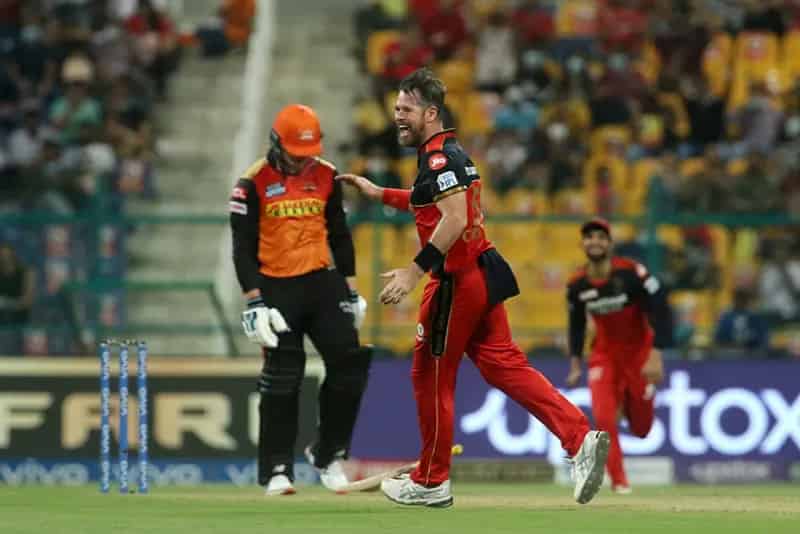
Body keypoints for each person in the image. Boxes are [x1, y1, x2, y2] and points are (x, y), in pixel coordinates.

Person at [338, 68, 609, 508]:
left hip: (456, 281)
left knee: (430, 376)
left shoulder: (439, 159)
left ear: (430, 113)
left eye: (406, 110)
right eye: (396, 109)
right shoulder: (446, 155)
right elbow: (429, 201)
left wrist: (413, 272)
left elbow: (455, 218)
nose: (397, 116)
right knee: (505, 366)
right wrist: (379, 193)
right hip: (480, 271)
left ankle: (431, 481)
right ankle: (580, 438)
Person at [229, 104, 371, 496]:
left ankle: (328, 454)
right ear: (276, 144)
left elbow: (339, 234)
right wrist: (254, 301)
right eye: (295, 154)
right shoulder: (251, 183)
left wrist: (351, 291)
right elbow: (242, 248)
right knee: (282, 377)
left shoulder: (326, 175)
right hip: (275, 287)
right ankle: (277, 469)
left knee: (350, 364)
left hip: (322, 282)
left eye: (308, 154)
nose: (302, 161)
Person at [566, 218, 673, 494]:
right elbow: (576, 325)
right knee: (603, 418)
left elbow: (660, 307)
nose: (595, 242)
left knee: (641, 430)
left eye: (601, 237)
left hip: (639, 355)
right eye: (589, 237)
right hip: (604, 355)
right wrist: (576, 363)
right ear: (582, 244)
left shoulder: (631, 273)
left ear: (610, 244)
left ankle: (628, 398)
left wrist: (656, 353)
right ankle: (619, 482)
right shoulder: (577, 284)